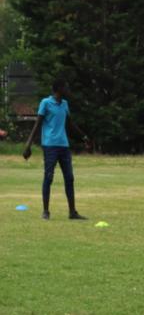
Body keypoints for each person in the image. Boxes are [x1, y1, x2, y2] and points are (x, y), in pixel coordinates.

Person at [22, 77, 87, 219]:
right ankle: (45, 211)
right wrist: (28, 145)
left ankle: (72, 212)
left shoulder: (65, 104)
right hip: (50, 145)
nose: (68, 90)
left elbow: (70, 124)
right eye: (66, 87)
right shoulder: (45, 103)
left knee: (69, 178)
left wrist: (84, 137)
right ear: (59, 89)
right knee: (49, 177)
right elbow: (37, 124)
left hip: (64, 146)